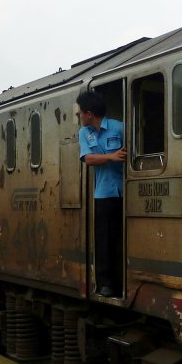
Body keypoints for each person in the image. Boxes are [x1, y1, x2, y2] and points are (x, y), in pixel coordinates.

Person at [76, 90, 126, 297]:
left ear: (89, 113)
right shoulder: (83, 134)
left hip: (125, 190)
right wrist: (112, 156)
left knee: (122, 239)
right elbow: (87, 159)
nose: (78, 116)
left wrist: (112, 157)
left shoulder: (119, 127)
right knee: (104, 240)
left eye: (80, 113)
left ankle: (123, 280)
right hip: (103, 194)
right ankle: (106, 284)